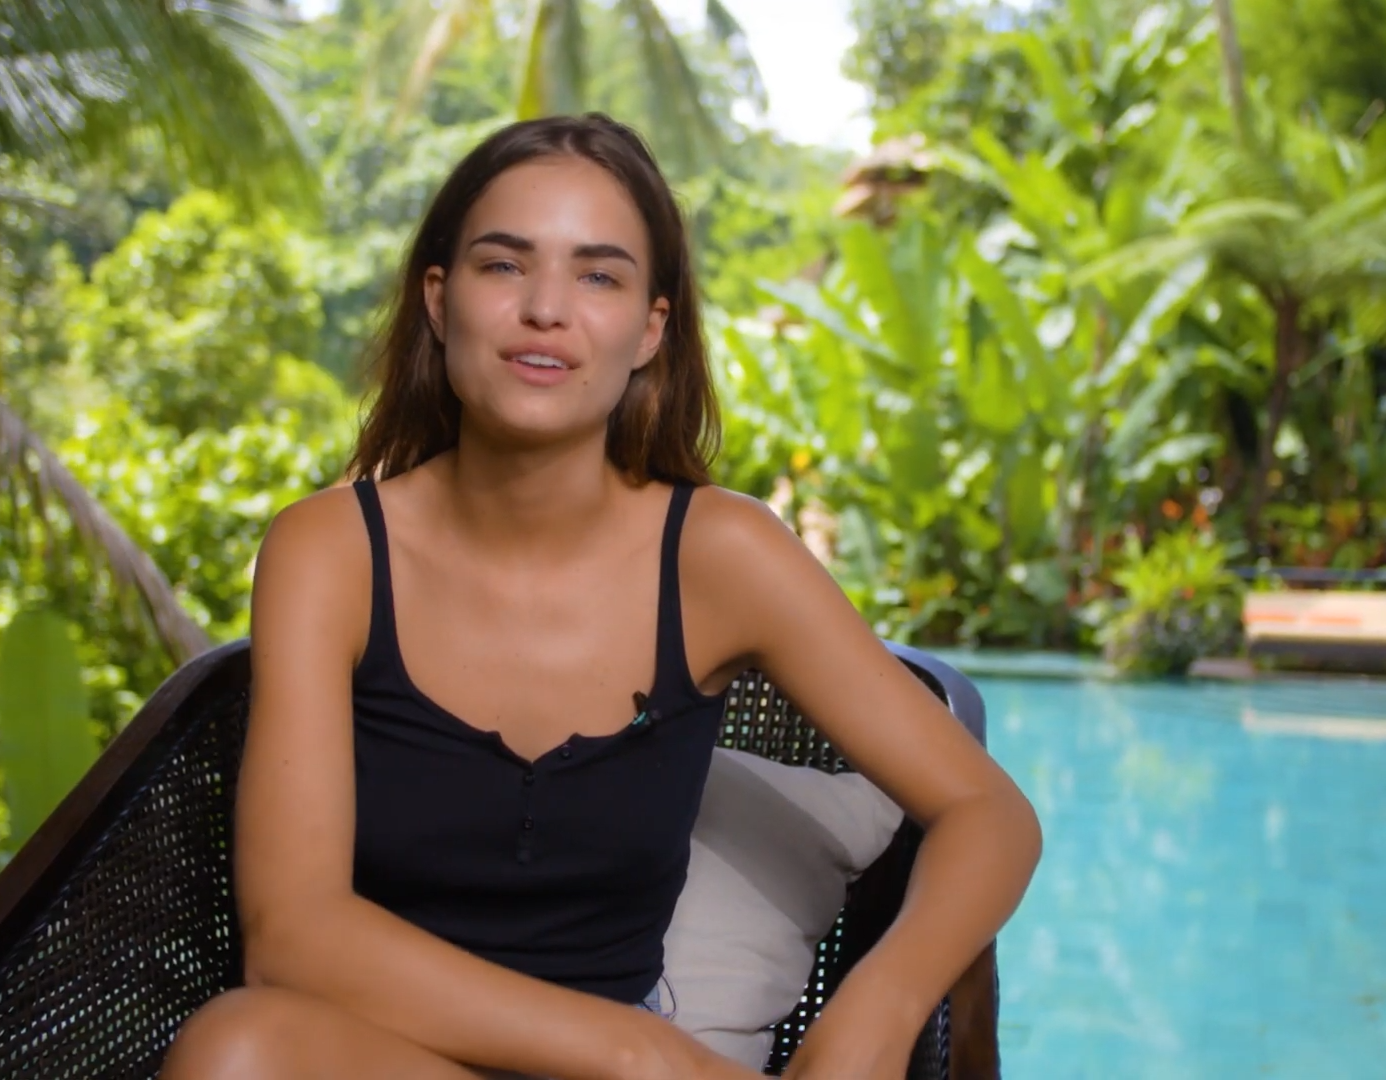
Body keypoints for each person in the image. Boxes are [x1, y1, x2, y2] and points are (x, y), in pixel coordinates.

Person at [158, 113, 1041, 1080]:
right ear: (439, 301)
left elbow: (988, 813)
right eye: (504, 265)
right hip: (409, 1062)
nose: (546, 309)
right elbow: (292, 935)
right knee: (235, 1050)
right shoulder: (331, 553)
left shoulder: (719, 554)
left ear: (650, 329)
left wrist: (880, 1005)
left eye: (598, 276)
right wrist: (641, 1052)